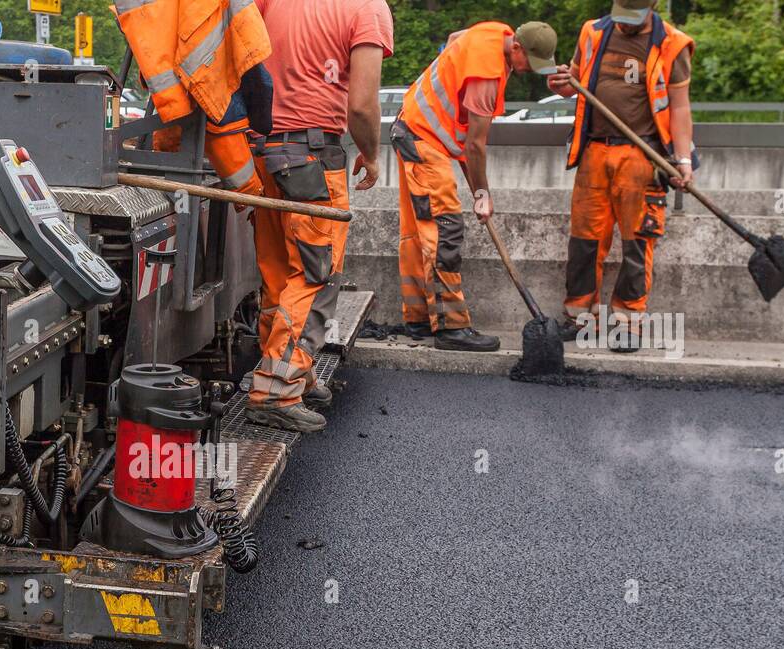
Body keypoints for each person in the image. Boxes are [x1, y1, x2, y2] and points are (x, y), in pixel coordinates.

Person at [245, 0, 394, 434]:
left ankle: (289, 367)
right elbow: (362, 106)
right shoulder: (367, 8)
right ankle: (276, 390)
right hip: (311, 155)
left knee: (278, 272)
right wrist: (371, 154)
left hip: (261, 152)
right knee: (315, 275)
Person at [392, 21, 559, 352]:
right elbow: (475, 145)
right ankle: (451, 327)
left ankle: (420, 318)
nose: (527, 72)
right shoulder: (486, 75)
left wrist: (478, 189)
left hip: (411, 130)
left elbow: (454, 38)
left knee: (419, 232)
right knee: (444, 230)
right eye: (529, 63)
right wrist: (482, 194)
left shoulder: (495, 30)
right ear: (517, 49)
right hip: (424, 141)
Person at [547, 1, 695, 350]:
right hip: (594, 151)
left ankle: (629, 322)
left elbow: (680, 106)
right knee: (585, 239)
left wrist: (683, 159)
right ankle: (580, 317)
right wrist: (561, 85)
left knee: (636, 241)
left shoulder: (673, 44)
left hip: (642, 155)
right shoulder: (593, 32)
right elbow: (577, 84)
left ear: (652, 8)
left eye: (633, 18)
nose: (625, 25)